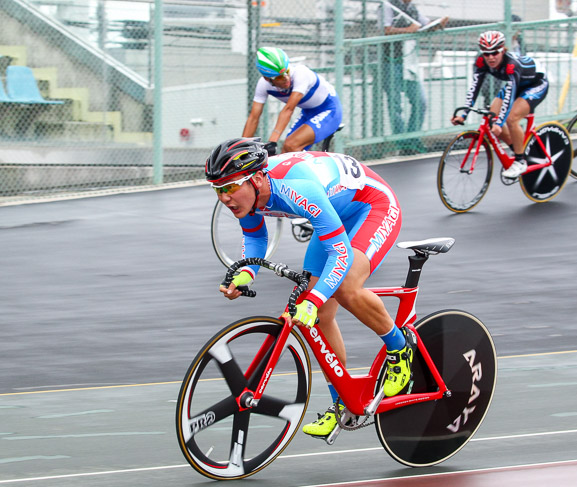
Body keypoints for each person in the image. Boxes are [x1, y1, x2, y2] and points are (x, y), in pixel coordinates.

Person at [205, 137, 413, 438]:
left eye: (230, 187)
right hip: (335, 213)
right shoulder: (249, 194)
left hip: (373, 206)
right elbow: (255, 238)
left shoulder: (298, 190)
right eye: (218, 189)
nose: (225, 198)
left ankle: (399, 350)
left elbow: (340, 254)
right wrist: (246, 274)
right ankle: (343, 403)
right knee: (317, 315)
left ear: (258, 178)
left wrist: (314, 298)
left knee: (344, 287)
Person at [450, 30, 549, 179]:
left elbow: (509, 96)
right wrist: (463, 114)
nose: (490, 57)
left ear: (502, 49)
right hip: (517, 85)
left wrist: (501, 122)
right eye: (486, 53)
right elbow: (474, 87)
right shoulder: (481, 62)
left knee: (511, 119)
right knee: (491, 119)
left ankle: (520, 161)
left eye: (495, 53)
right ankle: (517, 148)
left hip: (535, 84)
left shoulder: (511, 64)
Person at [242, 47, 343, 155]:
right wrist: (241, 148)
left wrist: (273, 141)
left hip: (330, 109)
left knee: (292, 145)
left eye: (287, 72)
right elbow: (253, 118)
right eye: (280, 77)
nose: (286, 79)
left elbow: (289, 109)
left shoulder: (300, 73)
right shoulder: (263, 85)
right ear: (267, 78)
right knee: (286, 153)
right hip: (308, 112)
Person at [378, 0, 448, 154]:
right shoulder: (388, 5)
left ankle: (412, 139)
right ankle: (402, 143)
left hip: (410, 62)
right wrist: (409, 30)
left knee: (420, 102)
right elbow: (385, 30)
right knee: (395, 105)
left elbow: (423, 25)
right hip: (391, 61)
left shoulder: (412, 8)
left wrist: (437, 25)